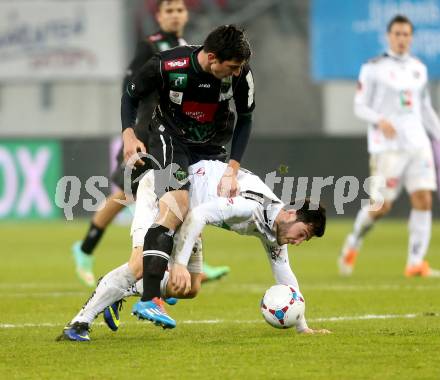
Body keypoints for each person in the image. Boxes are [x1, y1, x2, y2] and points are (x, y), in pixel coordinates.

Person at [57, 160, 329, 342]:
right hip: (165, 190)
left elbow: (284, 273)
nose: (298, 241)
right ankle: (79, 324)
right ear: (291, 213)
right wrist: (178, 264)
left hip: (190, 212)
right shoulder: (252, 206)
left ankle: (123, 288)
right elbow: (199, 214)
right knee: (139, 264)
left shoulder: (275, 229)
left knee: (189, 289)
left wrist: (302, 325)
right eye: (302, 234)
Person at [71, 0, 229, 286]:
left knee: (165, 192)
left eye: (179, 10)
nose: (175, 15)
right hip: (146, 130)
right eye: (169, 11)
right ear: (159, 16)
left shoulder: (186, 46)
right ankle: (88, 250)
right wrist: (130, 129)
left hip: (168, 131)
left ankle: (184, 260)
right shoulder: (150, 45)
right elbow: (130, 85)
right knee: (131, 195)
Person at [121, 24, 255, 328]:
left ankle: (128, 287)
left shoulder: (241, 75)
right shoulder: (167, 65)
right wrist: (129, 134)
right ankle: (149, 299)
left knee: (192, 285)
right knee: (176, 206)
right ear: (211, 57)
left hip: (211, 148)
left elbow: (245, 119)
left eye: (240, 68)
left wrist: (232, 168)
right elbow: (130, 95)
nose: (236, 74)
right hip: (171, 139)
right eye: (231, 67)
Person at [338, 15, 440, 277]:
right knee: (381, 206)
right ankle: (354, 240)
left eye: (406, 34)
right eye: (397, 33)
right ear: (388, 36)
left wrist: (437, 135)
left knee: (423, 199)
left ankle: (415, 262)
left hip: (418, 143)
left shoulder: (418, 68)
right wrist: (379, 120)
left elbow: (425, 108)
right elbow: (360, 105)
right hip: (387, 147)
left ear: (411, 37)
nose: (402, 38)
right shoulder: (374, 68)